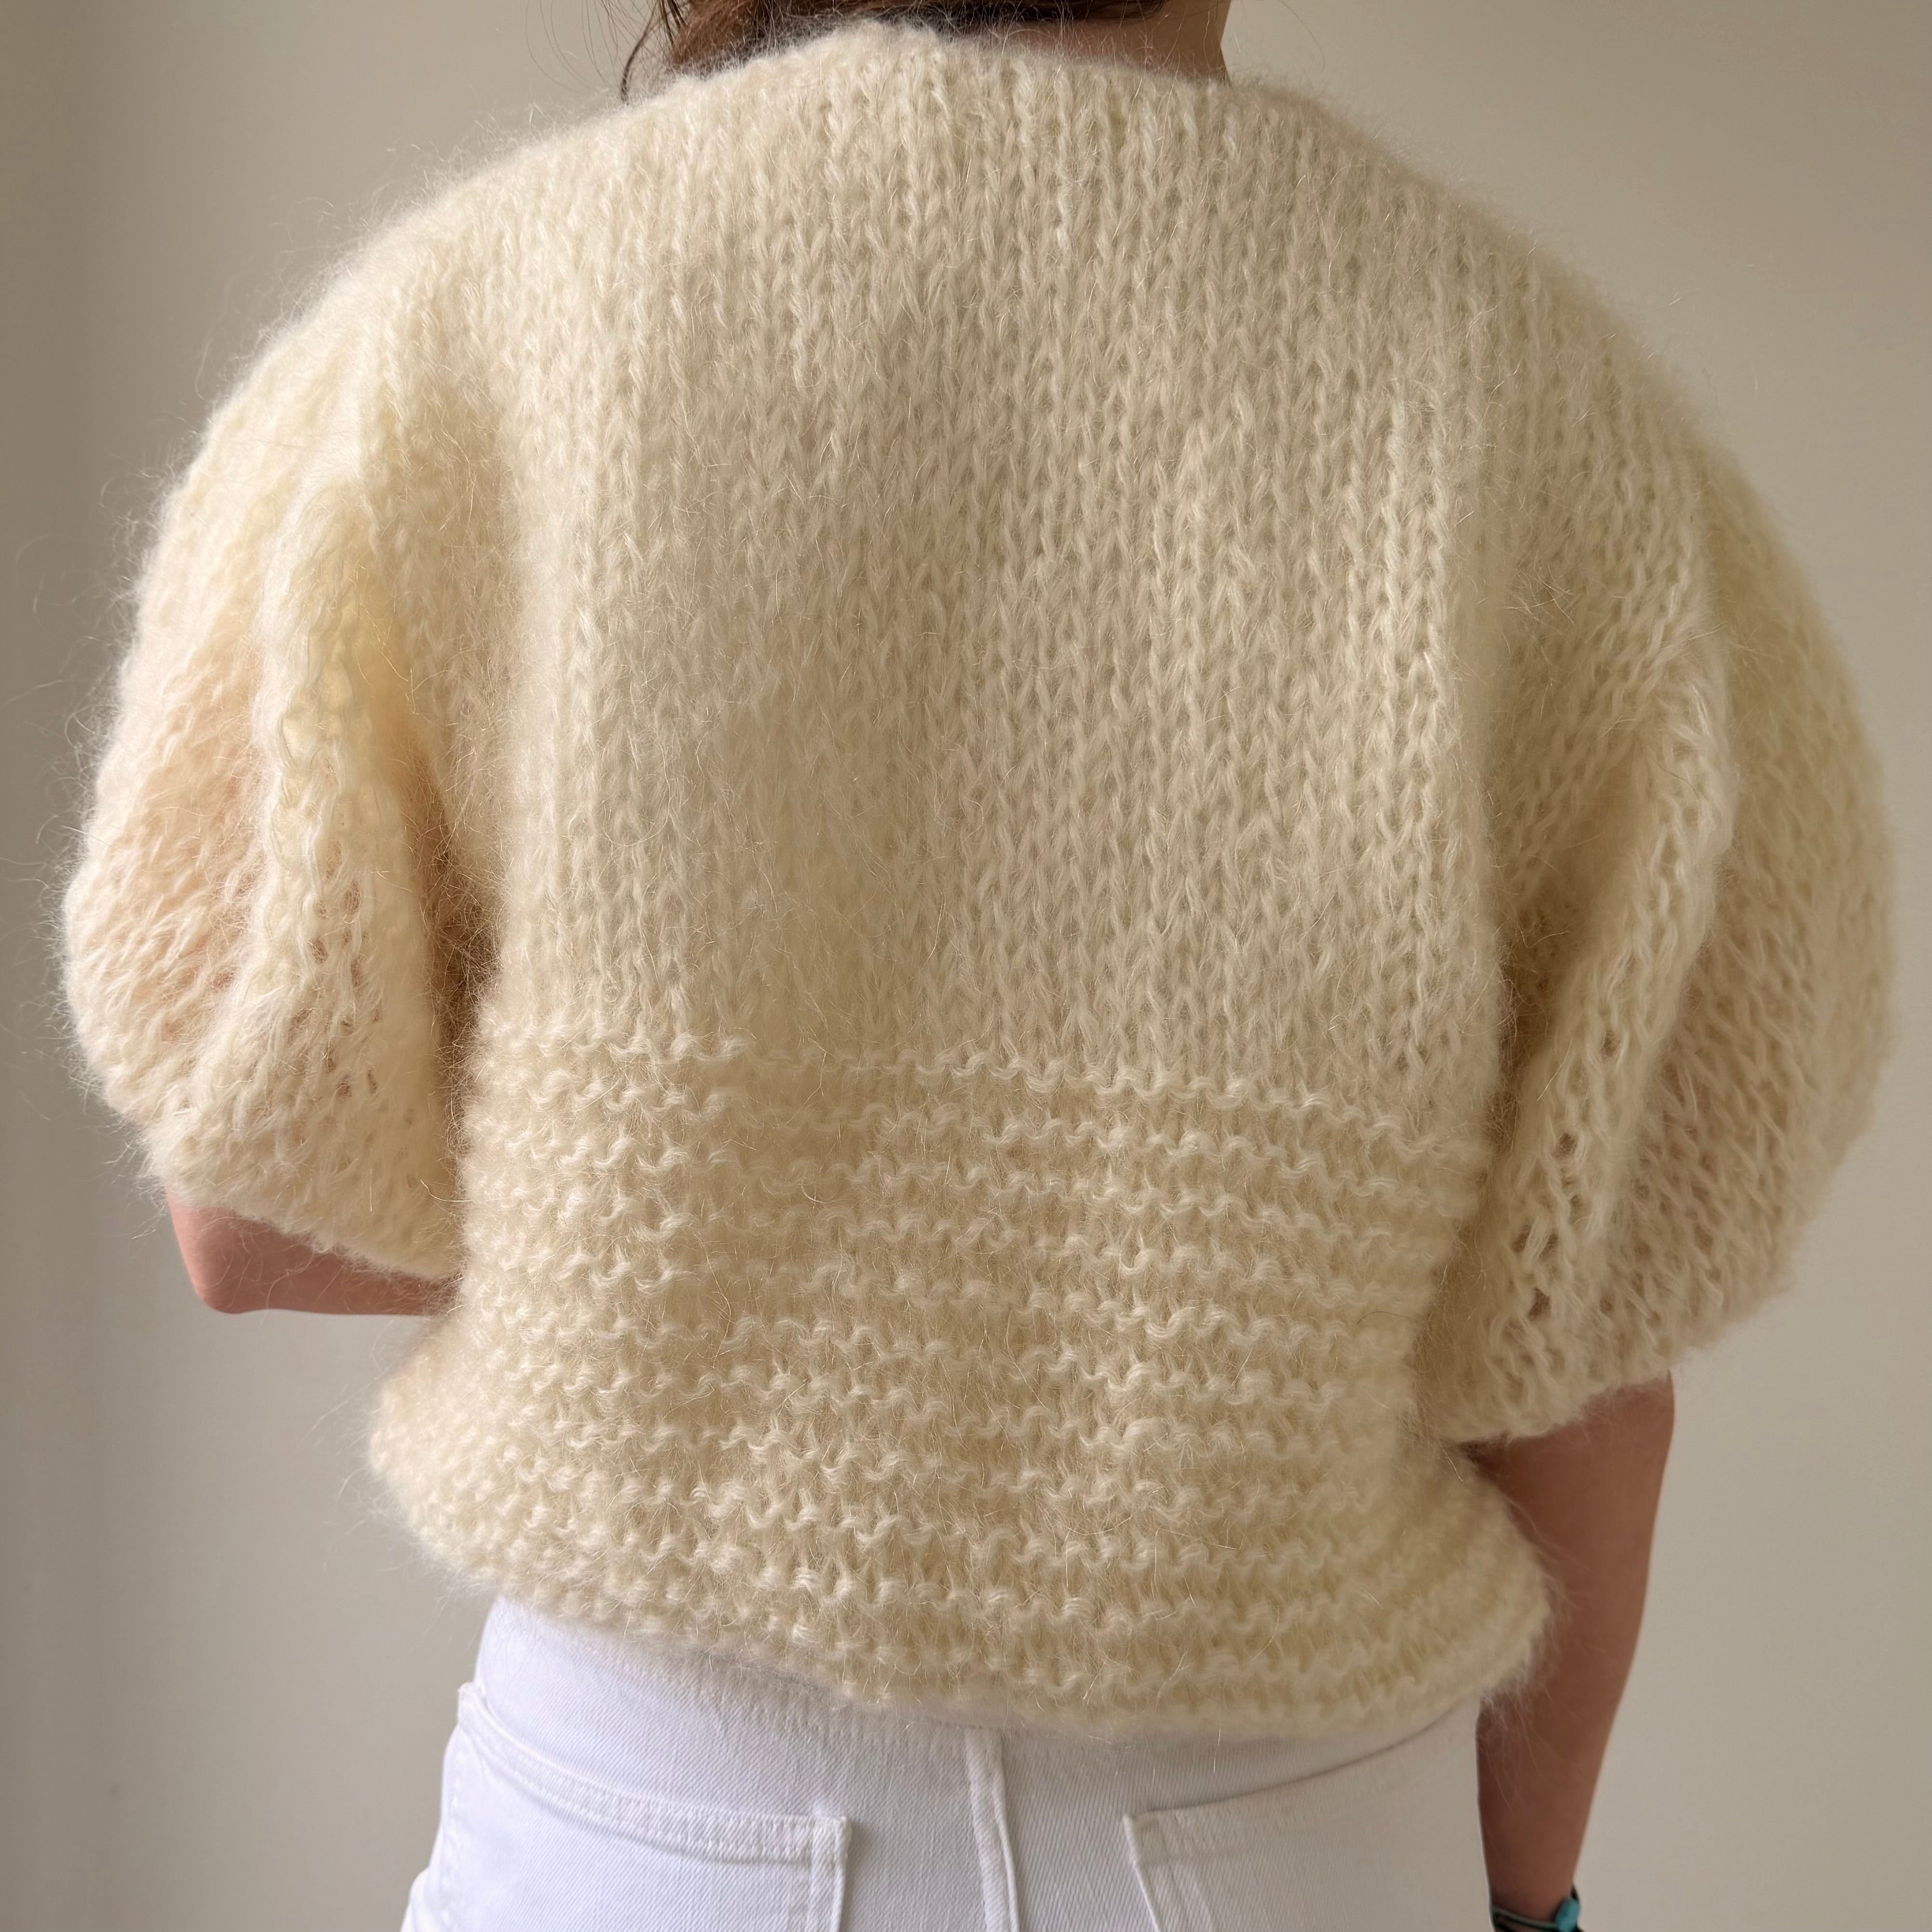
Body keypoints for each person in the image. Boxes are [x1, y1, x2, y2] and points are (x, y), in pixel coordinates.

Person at [58, 2, 1896, 1928]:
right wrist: (1516, 1894)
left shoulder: (455, 332)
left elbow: (246, 1213)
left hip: (653, 1825)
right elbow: (1593, 1360)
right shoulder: (1535, 404)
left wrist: (725, 1232)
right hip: (1291, 1833)